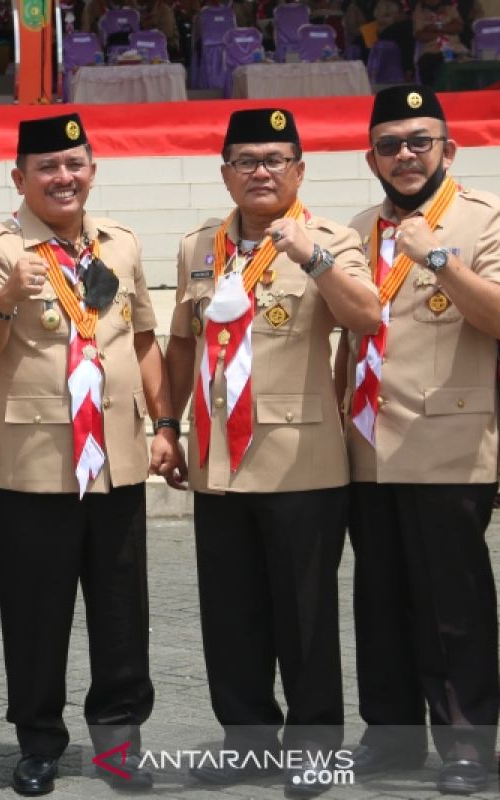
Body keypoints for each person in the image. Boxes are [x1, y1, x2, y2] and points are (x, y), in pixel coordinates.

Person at [0, 113, 182, 796]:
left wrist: (165, 423)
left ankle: (119, 746)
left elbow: (143, 340)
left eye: (76, 164)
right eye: (48, 167)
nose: (64, 177)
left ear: (92, 170)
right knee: (34, 614)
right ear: (19, 177)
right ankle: (38, 744)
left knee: (121, 612)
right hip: (30, 467)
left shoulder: (120, 244)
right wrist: (4, 299)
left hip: (114, 460)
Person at [162, 108, 380, 796]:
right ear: (225, 172)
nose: (261, 171)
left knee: (306, 614)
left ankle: (315, 747)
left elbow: (368, 316)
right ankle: (247, 741)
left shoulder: (332, 238)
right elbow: (181, 344)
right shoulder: (200, 244)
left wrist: (308, 256)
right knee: (230, 615)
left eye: (276, 160)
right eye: (247, 160)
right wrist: (167, 425)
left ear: (300, 171)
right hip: (217, 464)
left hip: (301, 462)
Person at [335, 84, 500, 797]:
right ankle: (392, 735)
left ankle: (467, 742)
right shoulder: (359, 225)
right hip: (368, 441)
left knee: (453, 603)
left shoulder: (481, 219)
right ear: (371, 156)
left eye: (419, 142)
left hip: (449, 441)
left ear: (448, 149)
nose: (404, 156)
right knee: (380, 598)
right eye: (390, 145)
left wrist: (437, 259)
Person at [412, 0, 469, 84]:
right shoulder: (419, 13)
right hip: (432, 50)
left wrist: (435, 28)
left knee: (467, 64)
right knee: (427, 65)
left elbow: (457, 27)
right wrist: (447, 28)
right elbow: (420, 35)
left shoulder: (450, 9)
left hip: (455, 48)